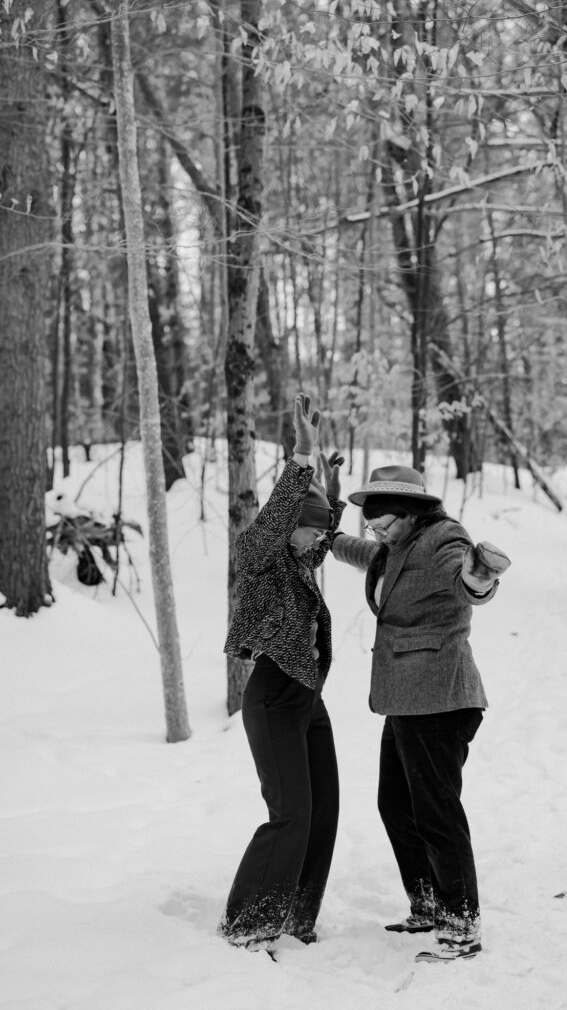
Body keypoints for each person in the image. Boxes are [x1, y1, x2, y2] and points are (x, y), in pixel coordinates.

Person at [328, 463, 510, 964]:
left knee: (436, 813)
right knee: (396, 805)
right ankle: (428, 904)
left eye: (384, 523)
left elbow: (466, 579)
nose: (377, 532)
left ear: (410, 513)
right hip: (407, 701)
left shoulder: (444, 539)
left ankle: (461, 924)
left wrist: (479, 577)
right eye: (372, 526)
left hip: (441, 699)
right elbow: (361, 553)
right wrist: (328, 526)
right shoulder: (397, 548)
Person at [218, 395, 345, 960]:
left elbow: (317, 532)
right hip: (272, 697)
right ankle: (249, 922)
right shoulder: (262, 552)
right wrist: (303, 455)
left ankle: (295, 915)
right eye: (310, 530)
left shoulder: (296, 560)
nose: (318, 542)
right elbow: (280, 518)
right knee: (291, 811)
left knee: (324, 808)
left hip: (306, 699)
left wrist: (333, 498)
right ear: (288, 525)